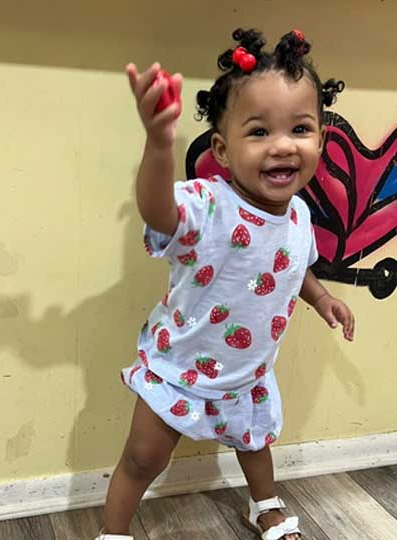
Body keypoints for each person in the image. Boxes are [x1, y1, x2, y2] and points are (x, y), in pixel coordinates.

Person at [96, 28, 355, 540]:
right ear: (221, 147)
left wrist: (322, 297)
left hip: (248, 371)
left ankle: (266, 506)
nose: (282, 145)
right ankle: (114, 531)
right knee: (143, 458)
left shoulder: (300, 215)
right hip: (180, 367)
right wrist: (158, 144)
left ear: (320, 139)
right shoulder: (207, 204)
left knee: (256, 444)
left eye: (300, 129)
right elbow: (159, 213)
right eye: (258, 132)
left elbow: (296, 265)